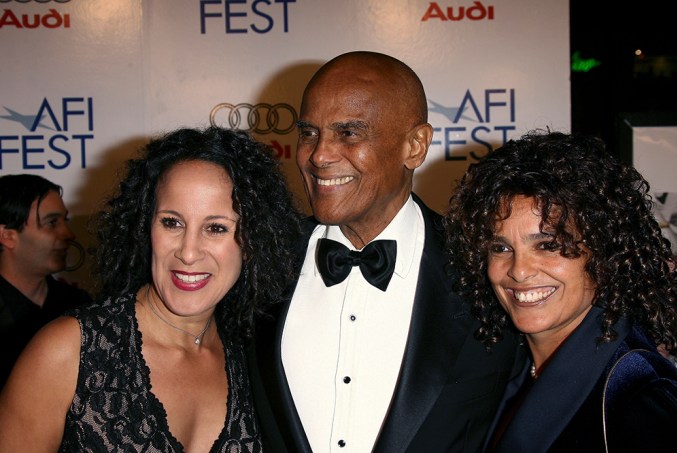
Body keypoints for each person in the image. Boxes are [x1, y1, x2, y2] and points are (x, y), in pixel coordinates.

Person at [249, 50, 525, 453]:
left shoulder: (487, 272)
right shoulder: (258, 262)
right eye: (309, 133)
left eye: (348, 133)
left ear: (415, 146)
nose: (319, 155)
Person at [0, 127, 303, 452]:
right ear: (145, 225)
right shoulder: (68, 351)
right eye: (172, 222)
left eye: (216, 228)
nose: (188, 252)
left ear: (254, 240)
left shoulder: (257, 359)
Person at [444, 129, 677, 452]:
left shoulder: (639, 394)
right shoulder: (510, 370)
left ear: (604, 251)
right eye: (500, 247)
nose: (519, 270)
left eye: (548, 245)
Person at [0, 174, 91, 388]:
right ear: (7, 236)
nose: (68, 233)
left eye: (64, 220)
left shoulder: (79, 306)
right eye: (52, 223)